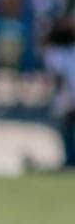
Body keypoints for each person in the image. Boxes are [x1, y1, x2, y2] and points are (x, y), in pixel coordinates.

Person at [45, 13, 75, 169]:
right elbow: (59, 77)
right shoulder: (55, 51)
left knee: (67, 129)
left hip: (68, 95)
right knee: (66, 129)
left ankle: (71, 159)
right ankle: (70, 158)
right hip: (67, 95)